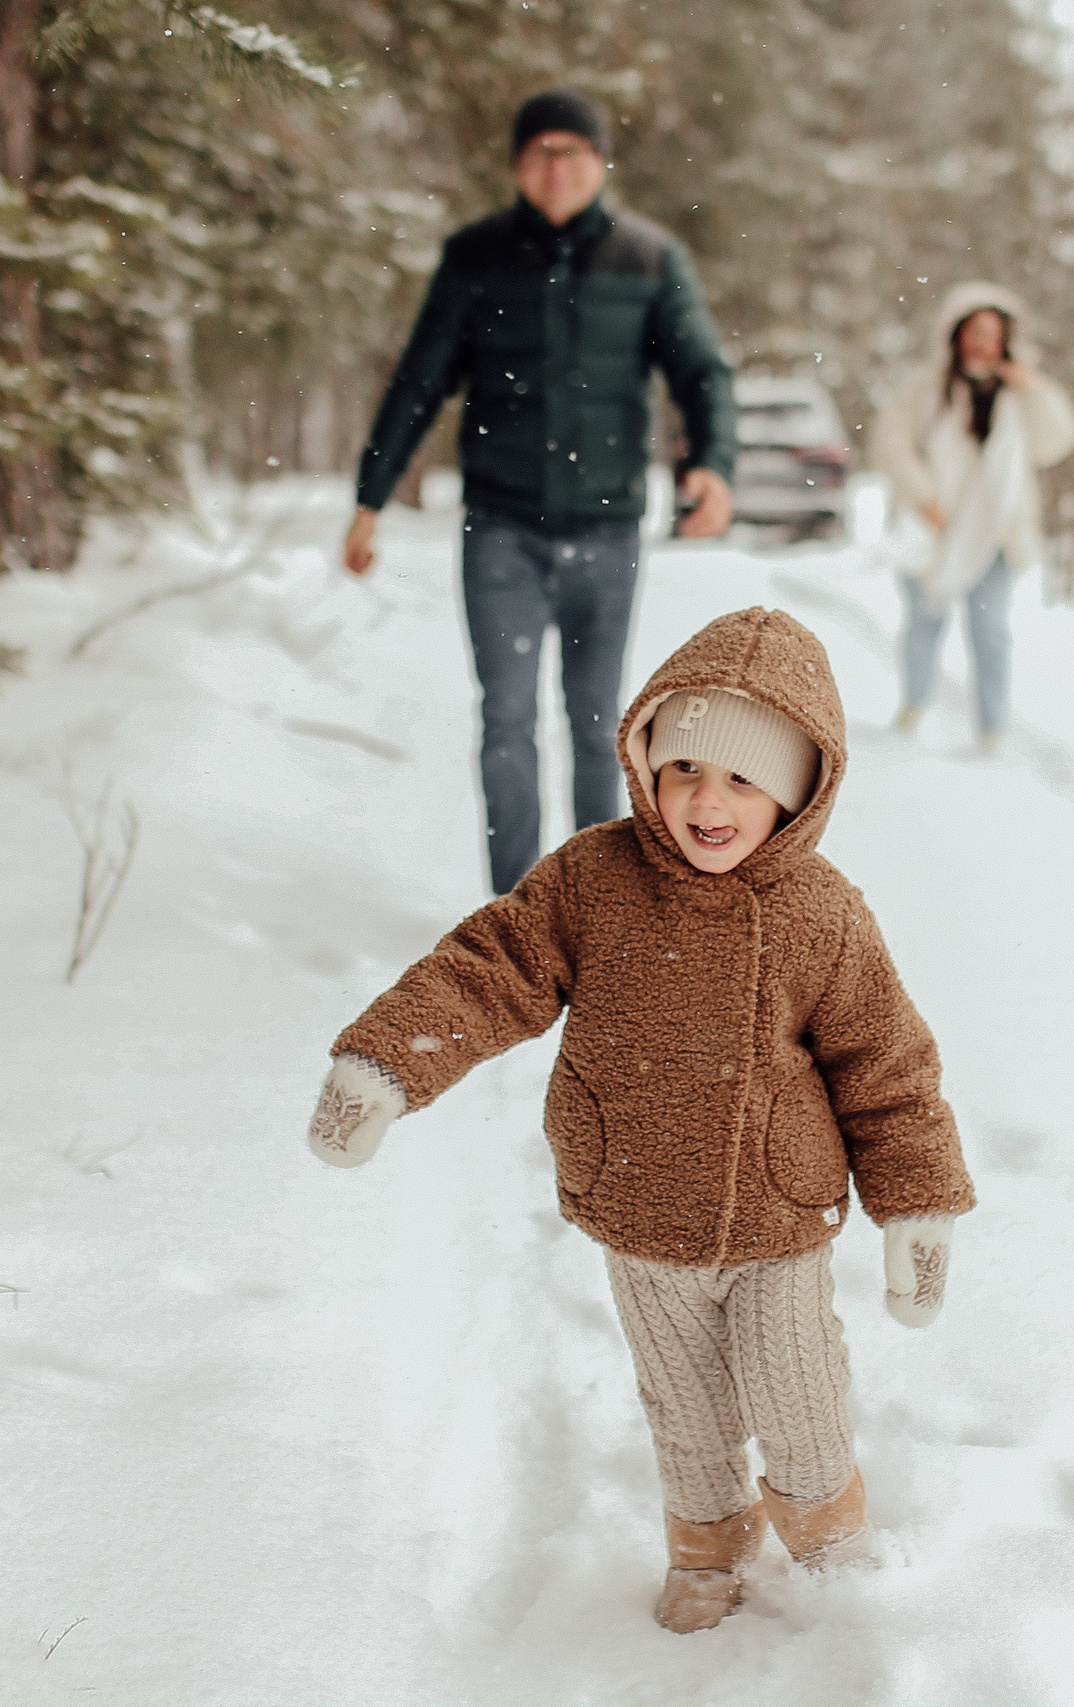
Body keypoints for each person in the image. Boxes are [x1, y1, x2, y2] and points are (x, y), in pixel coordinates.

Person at [302, 606, 975, 1633]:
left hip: (779, 1216)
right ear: (644, 761)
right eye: (684, 770)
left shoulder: (821, 914)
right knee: (686, 1410)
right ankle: (707, 1551)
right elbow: (493, 971)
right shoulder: (593, 879)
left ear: (798, 793)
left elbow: (884, 1066)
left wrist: (917, 1208)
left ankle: (835, 1551)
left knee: (794, 1400)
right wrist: (389, 1061)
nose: (707, 801)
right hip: (636, 1202)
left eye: (745, 779)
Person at [342, 88, 738, 894]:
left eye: (573, 151)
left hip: (606, 532)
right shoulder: (476, 254)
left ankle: (597, 913)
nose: (557, 168)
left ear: (600, 163)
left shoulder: (650, 257)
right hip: (502, 530)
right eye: (540, 152)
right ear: (519, 165)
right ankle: (518, 910)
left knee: (601, 730)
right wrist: (369, 497)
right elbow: (420, 381)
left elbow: (702, 371)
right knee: (508, 723)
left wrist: (713, 464)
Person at [867, 281, 1074, 752]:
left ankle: (991, 730)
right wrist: (923, 496)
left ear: (1006, 340)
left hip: (997, 533)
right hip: (931, 530)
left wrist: (1035, 389)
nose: (982, 342)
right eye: (974, 331)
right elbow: (890, 443)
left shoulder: (1020, 396)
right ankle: (912, 710)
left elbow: (1057, 442)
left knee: (990, 632)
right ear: (957, 333)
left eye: (992, 333)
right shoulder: (924, 388)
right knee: (924, 621)